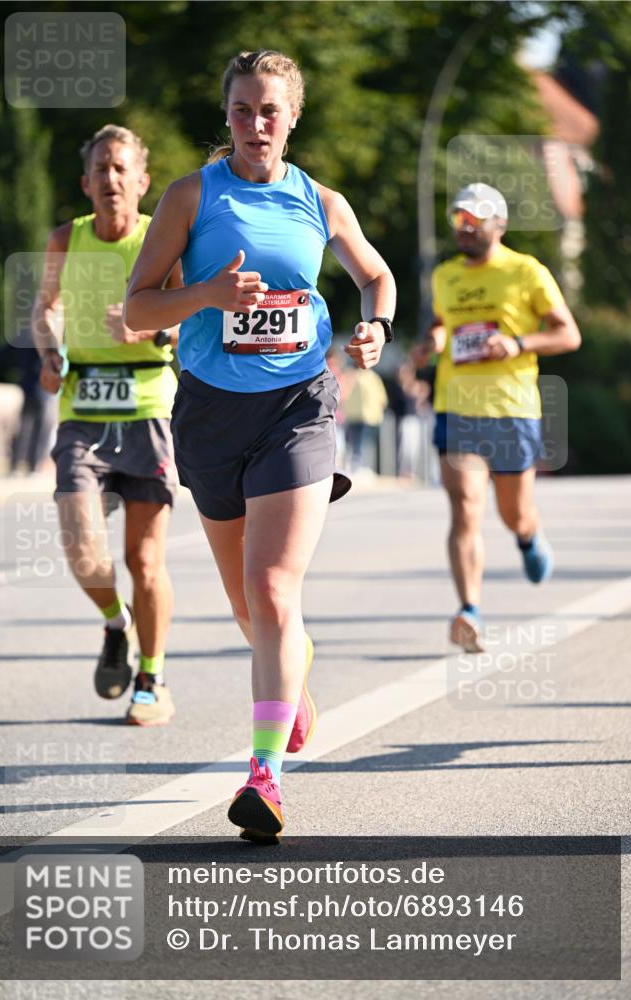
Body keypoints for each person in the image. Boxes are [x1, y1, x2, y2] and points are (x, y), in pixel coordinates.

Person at [125, 50, 396, 842]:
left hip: (298, 407)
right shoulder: (190, 196)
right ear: (228, 116)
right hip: (210, 412)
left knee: (273, 588)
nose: (254, 126)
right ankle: (294, 681)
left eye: (269, 111)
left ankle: (264, 777)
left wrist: (374, 326)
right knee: (249, 609)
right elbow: (140, 309)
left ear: (292, 117)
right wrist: (205, 295)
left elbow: (374, 277)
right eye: (242, 110)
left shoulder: (320, 200)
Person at [32, 124, 182, 725]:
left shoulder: (161, 240)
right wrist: (48, 351)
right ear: (86, 182)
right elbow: (45, 310)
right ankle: (114, 626)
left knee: (145, 561)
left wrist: (147, 328)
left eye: (122, 169)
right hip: (83, 409)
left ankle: (152, 677)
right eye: (101, 169)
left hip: (148, 408)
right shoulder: (66, 240)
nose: (111, 179)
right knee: (80, 545)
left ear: (142, 182)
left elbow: (187, 321)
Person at [413, 183, 580, 653]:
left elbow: (568, 334)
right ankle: (470, 610)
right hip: (457, 405)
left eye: (474, 220)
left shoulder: (526, 271)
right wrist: (434, 343)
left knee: (513, 513)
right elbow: (440, 326)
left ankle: (528, 536)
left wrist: (518, 343)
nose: (464, 228)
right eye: (459, 220)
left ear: (498, 225)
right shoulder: (445, 276)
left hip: (511, 409)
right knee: (465, 506)